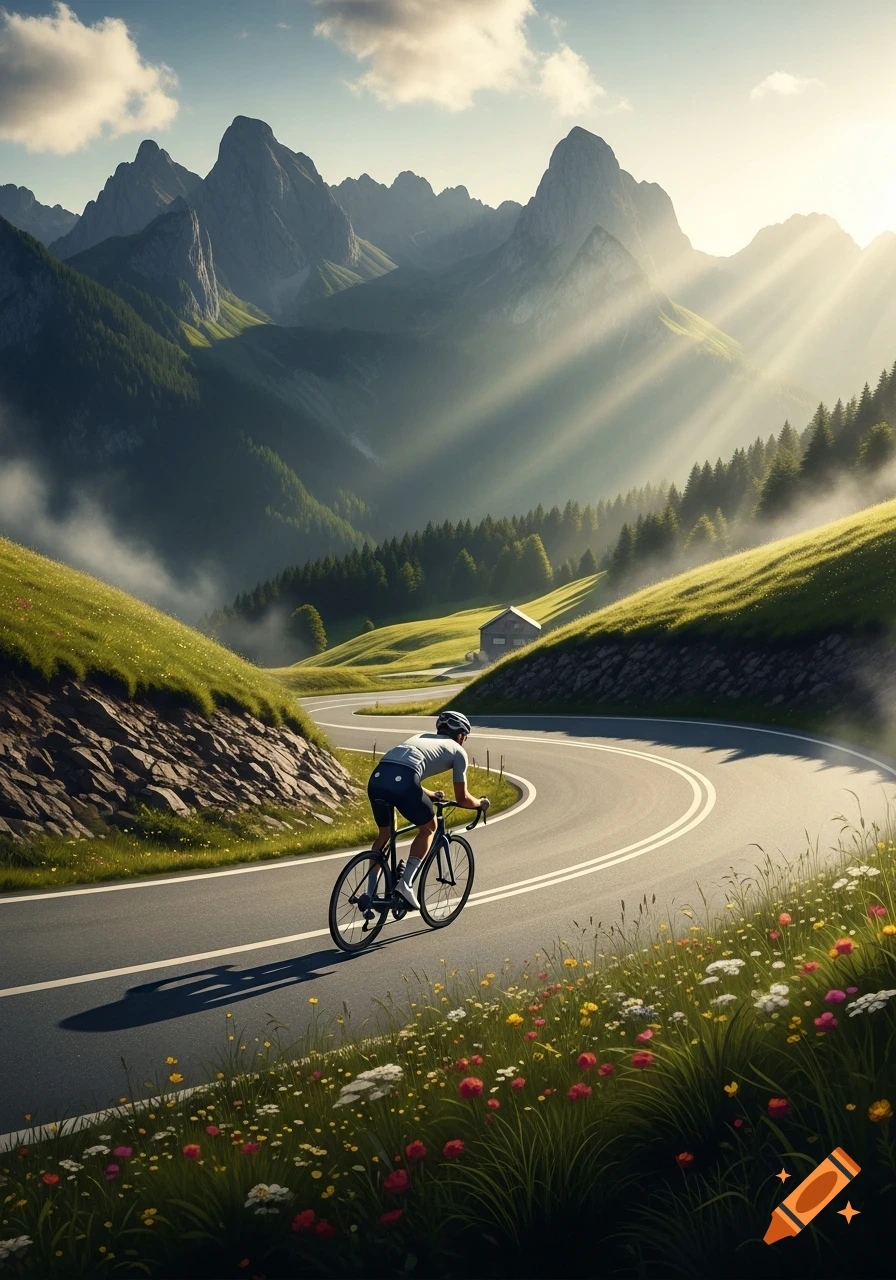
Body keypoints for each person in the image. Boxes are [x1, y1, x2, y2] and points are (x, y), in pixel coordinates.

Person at [367, 709, 489, 910]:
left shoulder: (420, 737)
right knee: (429, 827)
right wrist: (480, 803)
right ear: (460, 736)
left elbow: (404, 771)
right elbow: (462, 798)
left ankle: (370, 894)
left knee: (385, 834)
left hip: (377, 779)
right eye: (465, 738)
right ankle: (405, 885)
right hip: (404, 780)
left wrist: (430, 794)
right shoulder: (458, 751)